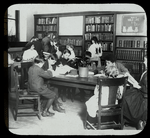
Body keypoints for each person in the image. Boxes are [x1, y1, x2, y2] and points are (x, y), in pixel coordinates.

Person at [123, 55, 147, 130]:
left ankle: (132, 120)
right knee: (126, 94)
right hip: (141, 91)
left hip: (143, 95)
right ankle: (127, 119)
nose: (144, 62)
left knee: (126, 98)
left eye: (145, 60)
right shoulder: (146, 71)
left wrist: (138, 87)